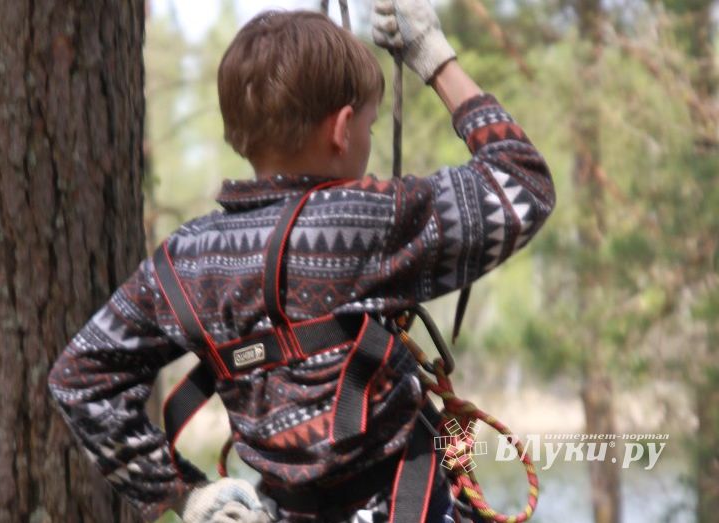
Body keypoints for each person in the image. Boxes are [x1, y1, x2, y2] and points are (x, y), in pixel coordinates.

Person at [47, 1, 556, 522]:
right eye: (370, 127)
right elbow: (522, 185)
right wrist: (435, 58)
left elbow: (79, 377)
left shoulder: (186, 258)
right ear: (342, 130)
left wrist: (188, 494)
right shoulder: (360, 223)